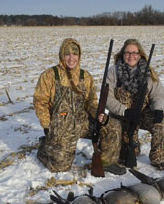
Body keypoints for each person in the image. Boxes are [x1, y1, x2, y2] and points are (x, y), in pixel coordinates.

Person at [33, 38, 126, 175]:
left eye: (75, 54)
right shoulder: (49, 75)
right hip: (61, 126)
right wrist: (47, 126)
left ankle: (107, 162)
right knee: (60, 167)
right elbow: (40, 102)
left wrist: (98, 114)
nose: (71, 58)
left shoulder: (86, 76)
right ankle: (44, 147)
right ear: (61, 55)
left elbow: (91, 102)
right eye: (67, 54)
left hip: (82, 122)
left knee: (112, 125)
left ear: (79, 55)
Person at [105, 39, 164, 171]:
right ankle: (131, 147)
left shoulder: (148, 72)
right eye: (127, 53)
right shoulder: (113, 72)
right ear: (122, 54)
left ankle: (159, 159)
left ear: (140, 55)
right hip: (122, 116)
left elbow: (158, 94)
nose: (131, 56)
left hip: (142, 113)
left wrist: (158, 109)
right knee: (128, 154)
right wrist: (124, 111)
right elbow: (107, 98)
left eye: (134, 53)